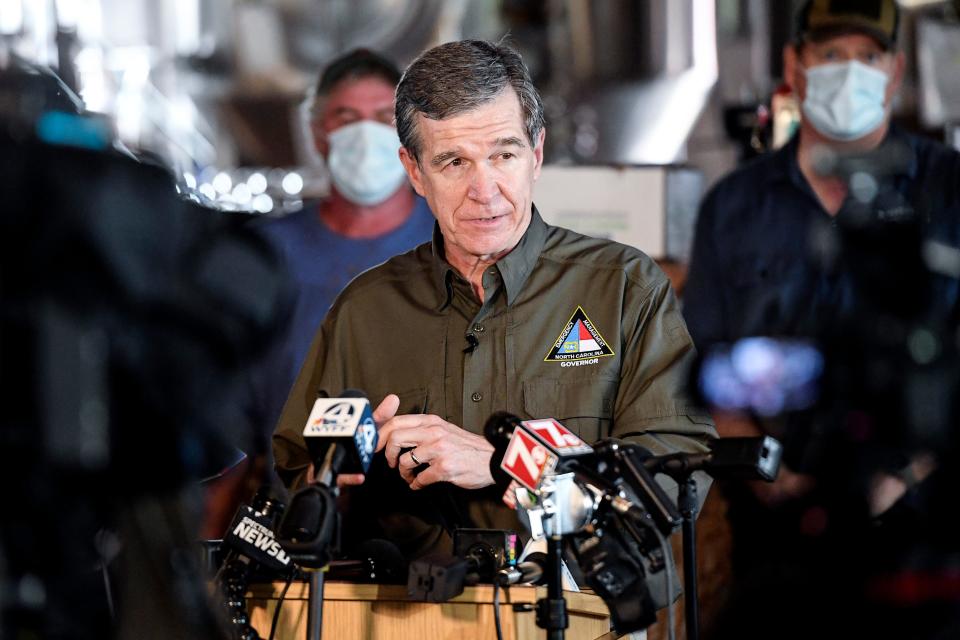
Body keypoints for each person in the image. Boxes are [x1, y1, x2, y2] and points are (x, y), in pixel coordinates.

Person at [272, 39, 715, 563]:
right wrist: (343, 473)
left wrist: (508, 461)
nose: (485, 189)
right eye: (454, 162)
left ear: (537, 154)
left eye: (503, 154)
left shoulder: (622, 288)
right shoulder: (365, 312)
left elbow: (670, 487)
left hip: (581, 618)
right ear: (414, 172)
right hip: (405, 618)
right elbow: (290, 494)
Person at [683, 1, 960, 636]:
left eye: (868, 57)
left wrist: (901, 475)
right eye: (831, 56)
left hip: (923, 534)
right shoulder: (736, 205)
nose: (850, 73)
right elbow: (705, 362)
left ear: (895, 71)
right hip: (774, 534)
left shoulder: (949, 189)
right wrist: (773, 475)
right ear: (794, 65)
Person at [245, 49, 435, 442]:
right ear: (318, 133)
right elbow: (236, 400)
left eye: (384, 119)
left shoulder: (452, 243)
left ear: (410, 133)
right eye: (346, 119)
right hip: (296, 492)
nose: (366, 137)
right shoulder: (267, 253)